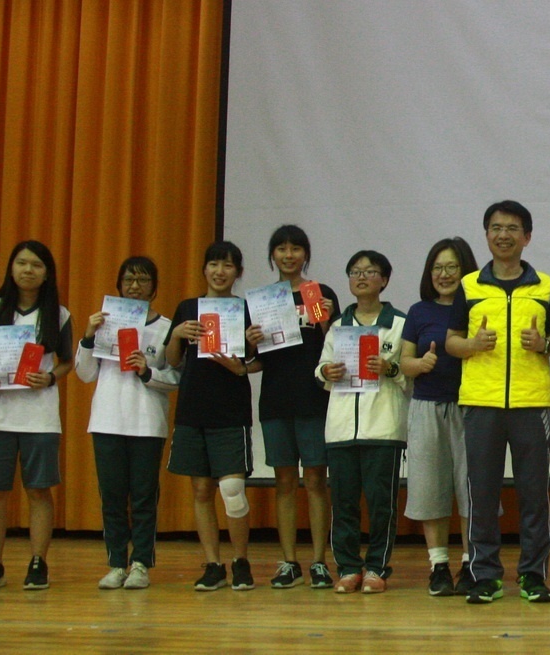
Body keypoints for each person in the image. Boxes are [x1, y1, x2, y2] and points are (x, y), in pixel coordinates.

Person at [446, 200, 550, 604]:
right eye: (496, 227)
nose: (504, 235)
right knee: (482, 492)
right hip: (481, 401)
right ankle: (485, 575)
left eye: (513, 228)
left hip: (532, 403)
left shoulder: (545, 285)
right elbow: (451, 341)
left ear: (527, 237)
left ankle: (533, 575)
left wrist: (543, 343)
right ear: (487, 234)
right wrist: (472, 345)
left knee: (534, 493)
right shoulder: (469, 286)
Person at [0, 241, 73, 591]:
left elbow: (67, 362)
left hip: (39, 416)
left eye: (36, 265)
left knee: (39, 491)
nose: (28, 270)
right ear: (11, 268)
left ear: (47, 273)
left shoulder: (58, 314)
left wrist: (50, 376)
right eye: (22, 263)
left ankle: (38, 562)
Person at [75, 256, 180, 590]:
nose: (135, 286)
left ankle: (140, 564)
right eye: (129, 280)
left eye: (143, 280)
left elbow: (175, 378)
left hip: (147, 422)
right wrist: (89, 337)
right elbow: (85, 373)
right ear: (118, 285)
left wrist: (146, 371)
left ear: (154, 287)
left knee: (144, 497)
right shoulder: (105, 323)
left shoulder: (165, 327)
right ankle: (116, 563)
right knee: (112, 497)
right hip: (107, 420)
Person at [245, 225, 339, 589]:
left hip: (315, 397)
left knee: (316, 480)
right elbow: (253, 360)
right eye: (281, 249)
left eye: (295, 248)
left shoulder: (318, 293)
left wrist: (328, 319)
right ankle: (288, 562)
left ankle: (318, 561)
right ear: (273, 256)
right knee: (284, 481)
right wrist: (250, 342)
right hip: (276, 399)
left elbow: (336, 346)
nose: (288, 255)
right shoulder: (263, 299)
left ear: (305, 254)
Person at [164, 241, 259, 591]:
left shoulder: (247, 310)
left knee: (232, 489)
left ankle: (241, 560)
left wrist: (243, 361)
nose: (220, 271)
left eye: (229, 266)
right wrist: (176, 334)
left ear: (238, 272)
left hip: (230, 409)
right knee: (202, 490)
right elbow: (173, 360)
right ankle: (213, 564)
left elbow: (259, 360)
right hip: (193, 408)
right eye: (214, 264)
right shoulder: (188, 308)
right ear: (204, 269)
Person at [316, 250, 408, 594]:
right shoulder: (338, 326)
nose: (362, 277)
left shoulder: (399, 323)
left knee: (381, 503)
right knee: (343, 503)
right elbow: (322, 369)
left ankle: (376, 568)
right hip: (340, 427)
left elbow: (409, 375)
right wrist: (326, 371)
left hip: (382, 426)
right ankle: (349, 567)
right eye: (355, 271)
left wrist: (391, 368)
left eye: (370, 272)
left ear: (384, 280)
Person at [401, 237, 480, 596]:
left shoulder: (477, 305)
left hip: (471, 407)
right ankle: (437, 565)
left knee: (471, 489)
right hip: (427, 408)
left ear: (466, 270)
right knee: (429, 488)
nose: (444, 274)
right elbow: (404, 363)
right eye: (437, 267)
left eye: (451, 267)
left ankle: (470, 563)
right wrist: (421, 364)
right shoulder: (419, 312)